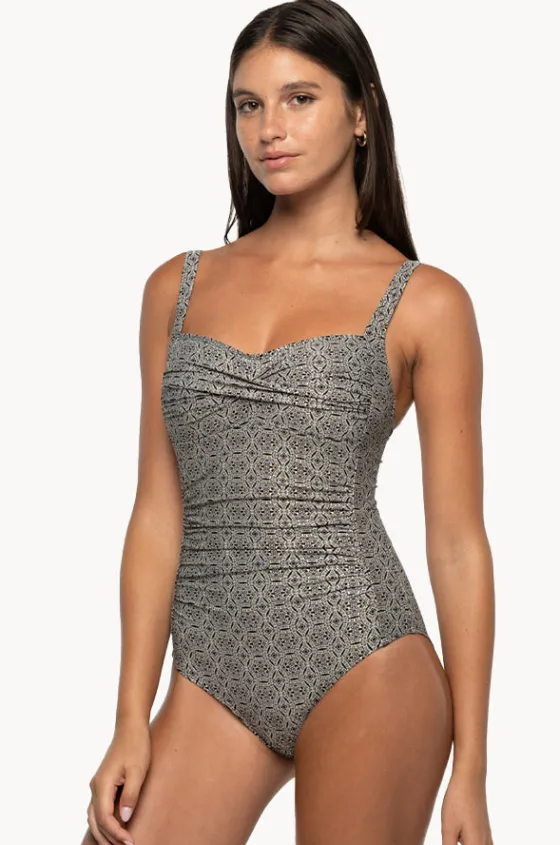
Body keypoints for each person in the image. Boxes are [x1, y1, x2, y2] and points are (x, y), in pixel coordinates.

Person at [81, 1, 495, 843]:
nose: (269, 128)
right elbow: (157, 513)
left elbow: (457, 543)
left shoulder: (427, 302)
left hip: (366, 656)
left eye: (299, 99)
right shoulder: (175, 288)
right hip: (211, 673)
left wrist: (474, 771)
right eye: (248, 104)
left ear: (360, 113)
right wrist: (130, 715)